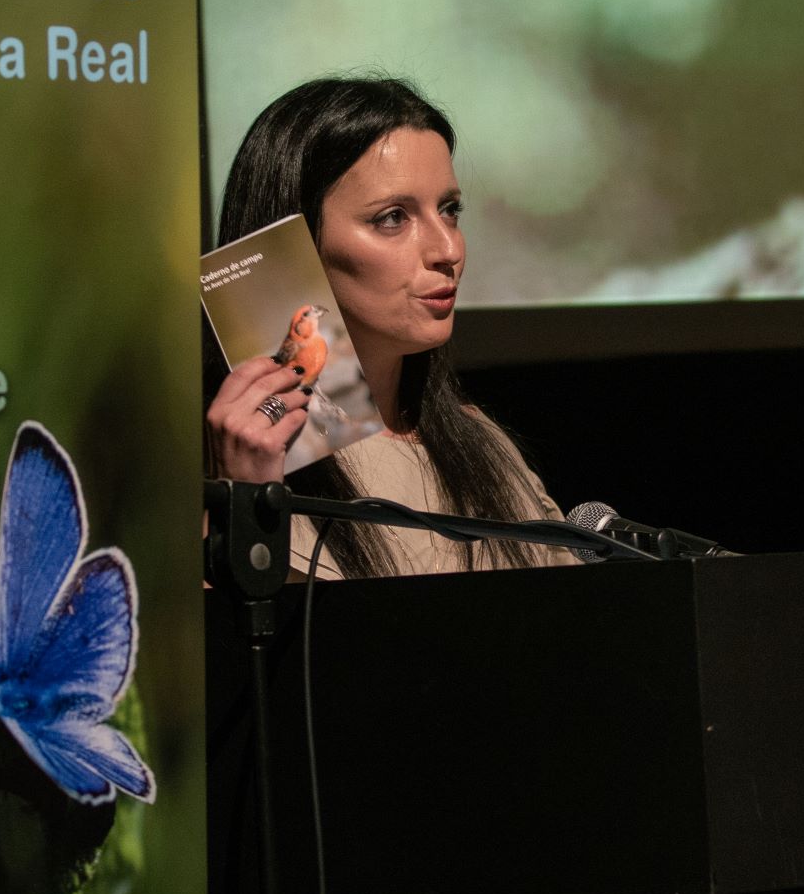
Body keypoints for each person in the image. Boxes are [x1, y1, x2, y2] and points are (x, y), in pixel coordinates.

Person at [205, 76, 570, 578]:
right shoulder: (227, 464)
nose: (448, 250)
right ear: (295, 239)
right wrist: (244, 499)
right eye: (392, 218)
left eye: (450, 209)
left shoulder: (483, 445)